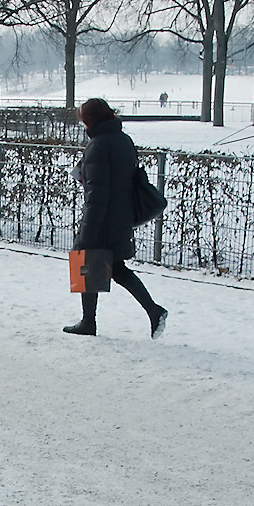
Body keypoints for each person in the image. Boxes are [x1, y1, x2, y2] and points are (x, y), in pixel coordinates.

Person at [65, 97, 167, 339]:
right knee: (115, 267)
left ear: (90, 120)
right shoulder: (123, 140)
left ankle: (89, 322)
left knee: (86, 261)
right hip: (120, 214)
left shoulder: (98, 146)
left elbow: (98, 192)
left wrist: (88, 230)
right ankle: (153, 311)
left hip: (102, 217)